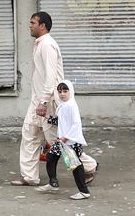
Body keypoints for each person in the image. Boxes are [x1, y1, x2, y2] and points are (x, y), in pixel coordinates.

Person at [10, 11, 97, 186]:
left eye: (33, 22)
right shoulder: (39, 44)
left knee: (56, 140)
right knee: (30, 133)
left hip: (48, 101)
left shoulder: (47, 45)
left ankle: (89, 166)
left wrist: (43, 101)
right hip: (38, 99)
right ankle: (29, 176)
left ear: (42, 26)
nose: (30, 25)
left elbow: (51, 77)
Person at [36, 80, 91, 200]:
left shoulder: (71, 106)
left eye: (65, 91)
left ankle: (84, 191)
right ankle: (53, 183)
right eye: (60, 91)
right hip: (63, 141)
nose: (62, 94)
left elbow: (76, 124)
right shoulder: (63, 105)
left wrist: (66, 137)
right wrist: (46, 117)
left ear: (70, 91)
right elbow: (61, 121)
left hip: (71, 141)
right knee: (51, 156)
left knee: (75, 165)